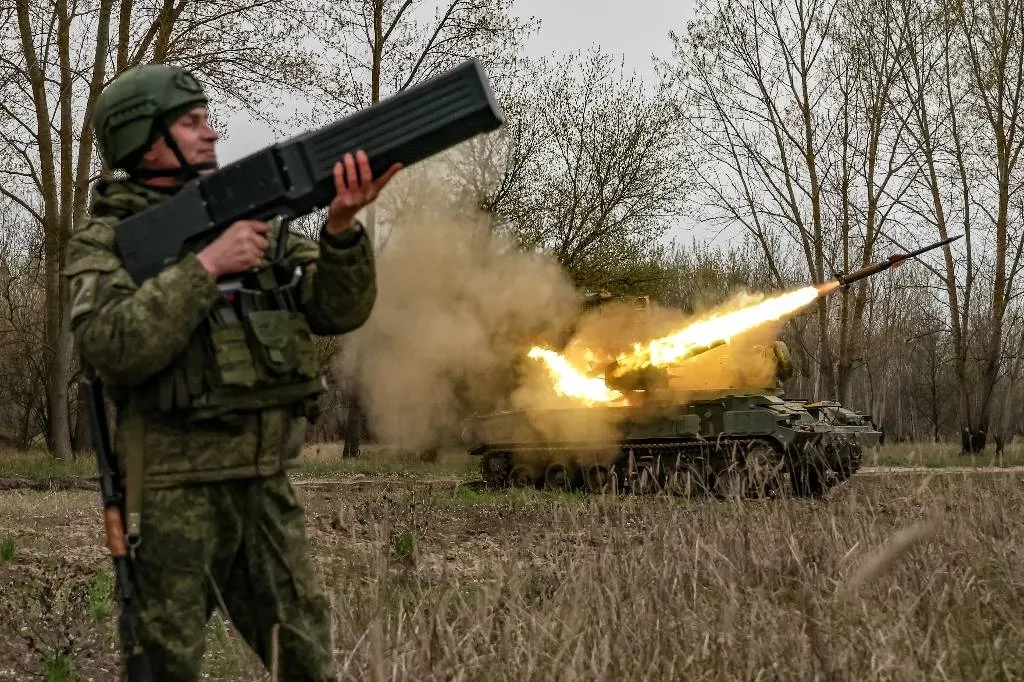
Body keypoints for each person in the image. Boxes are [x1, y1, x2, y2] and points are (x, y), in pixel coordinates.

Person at [64, 63, 401, 681]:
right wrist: (206, 269)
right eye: (191, 122)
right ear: (145, 138)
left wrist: (341, 229)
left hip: (264, 486)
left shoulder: (252, 221)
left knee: (307, 660)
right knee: (166, 667)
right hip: (171, 496)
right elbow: (113, 345)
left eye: (208, 119)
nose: (212, 132)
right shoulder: (104, 242)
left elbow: (338, 309)